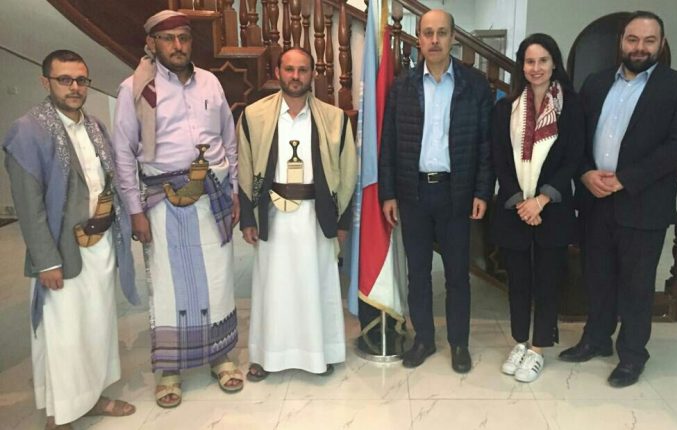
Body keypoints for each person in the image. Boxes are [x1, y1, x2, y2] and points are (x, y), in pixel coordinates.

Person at [558, 11, 677, 388]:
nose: (640, 47)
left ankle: (633, 355)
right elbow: (576, 135)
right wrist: (585, 173)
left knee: (637, 285)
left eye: (649, 41)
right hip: (594, 199)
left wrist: (624, 179)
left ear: (661, 44)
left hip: (643, 202)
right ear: (621, 42)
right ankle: (596, 339)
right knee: (597, 276)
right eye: (633, 39)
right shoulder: (596, 83)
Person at [112, 10, 243, 408]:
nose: (178, 45)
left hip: (212, 195)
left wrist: (233, 190)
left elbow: (229, 140)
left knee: (217, 279)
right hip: (162, 198)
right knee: (170, 285)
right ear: (151, 43)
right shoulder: (134, 89)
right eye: (168, 39)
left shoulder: (210, 82)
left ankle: (221, 357)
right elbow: (123, 154)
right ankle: (170, 371)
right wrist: (135, 210)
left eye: (184, 38)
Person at [3, 49, 139, 430]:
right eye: (65, 79)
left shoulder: (94, 126)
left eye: (81, 80)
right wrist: (46, 261)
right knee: (64, 335)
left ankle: (92, 398)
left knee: (97, 326)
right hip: (61, 252)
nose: (75, 87)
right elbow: (28, 206)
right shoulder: (28, 131)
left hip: (99, 244)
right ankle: (60, 416)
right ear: (45, 82)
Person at [379, 9, 494, 373]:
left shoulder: (474, 86)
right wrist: (388, 193)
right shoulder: (403, 87)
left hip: (455, 192)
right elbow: (389, 144)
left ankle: (459, 343)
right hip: (413, 192)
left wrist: (482, 191)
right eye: (427, 33)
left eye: (441, 33)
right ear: (418, 38)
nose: (434, 40)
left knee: (458, 274)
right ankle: (424, 339)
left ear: (453, 38)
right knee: (418, 274)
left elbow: (486, 144)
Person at [236, 47, 356, 379]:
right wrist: (247, 218)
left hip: (316, 216)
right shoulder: (255, 115)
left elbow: (348, 173)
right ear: (278, 72)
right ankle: (266, 356)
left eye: (303, 70)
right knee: (272, 288)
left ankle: (320, 354)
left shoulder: (334, 119)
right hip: (273, 215)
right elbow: (244, 168)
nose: (295, 76)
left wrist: (342, 222)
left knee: (316, 286)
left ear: (313, 74)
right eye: (289, 69)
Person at [490, 34, 584, 383]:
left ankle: (539, 347)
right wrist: (520, 201)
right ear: (522, 66)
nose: (536, 68)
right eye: (530, 61)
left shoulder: (571, 107)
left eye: (543, 60)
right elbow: (499, 159)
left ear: (554, 63)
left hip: (552, 209)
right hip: (514, 208)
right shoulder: (506, 108)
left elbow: (573, 158)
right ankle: (519, 341)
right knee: (517, 281)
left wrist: (541, 200)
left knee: (547, 281)